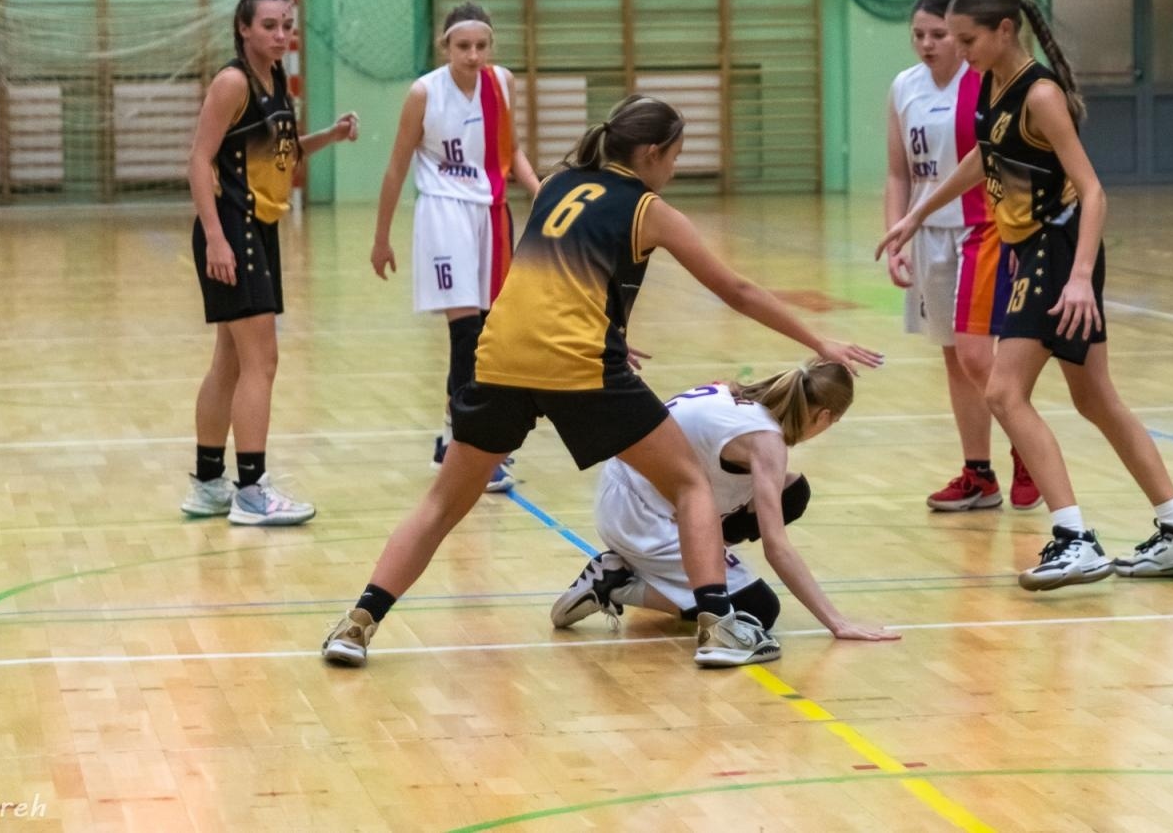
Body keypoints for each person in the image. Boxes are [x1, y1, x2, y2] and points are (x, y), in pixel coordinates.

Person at [323, 95, 882, 668]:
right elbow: (735, 290)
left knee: (442, 505)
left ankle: (357, 624)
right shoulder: (648, 208)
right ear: (650, 153)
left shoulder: (555, 185)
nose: (674, 170)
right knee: (689, 484)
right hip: (577, 364)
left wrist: (607, 331)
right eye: (674, 157)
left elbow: (555, 282)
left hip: (501, 353)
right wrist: (820, 343)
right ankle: (718, 627)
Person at [877, 0, 1173, 591]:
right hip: (1033, 253)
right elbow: (985, 158)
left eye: (967, 39)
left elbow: (1093, 192)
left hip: (1055, 254)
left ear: (1005, 31)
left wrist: (1081, 277)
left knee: (1005, 393)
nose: (958, 50)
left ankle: (1073, 538)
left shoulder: (1040, 94)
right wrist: (917, 213)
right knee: (1095, 400)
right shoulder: (990, 84)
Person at [551, 364, 899, 645]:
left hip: (628, 488)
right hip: (639, 515)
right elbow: (776, 548)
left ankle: (669, 568)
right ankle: (618, 584)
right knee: (758, 609)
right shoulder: (766, 443)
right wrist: (836, 622)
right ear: (823, 416)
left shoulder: (733, 393)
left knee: (792, 492)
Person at [181, 0, 360, 525]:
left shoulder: (276, 80)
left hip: (257, 227)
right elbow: (198, 160)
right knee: (264, 361)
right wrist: (215, 236)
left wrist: (326, 136)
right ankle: (252, 490)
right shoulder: (233, 81)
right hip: (233, 228)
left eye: (287, 25)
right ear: (243, 28)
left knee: (230, 361)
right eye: (269, 25)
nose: (281, 34)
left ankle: (209, 482)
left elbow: (278, 152)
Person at [369, 3, 540, 492]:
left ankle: (453, 440)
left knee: (491, 332)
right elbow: (397, 167)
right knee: (466, 333)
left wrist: (536, 185)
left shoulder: (502, 83)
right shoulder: (424, 93)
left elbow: (512, 150)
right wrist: (381, 237)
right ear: (446, 47)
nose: (473, 55)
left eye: (481, 46)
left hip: (492, 214)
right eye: (463, 46)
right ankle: (463, 447)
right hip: (443, 213)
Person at [885, 0, 1038, 513]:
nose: (927, 44)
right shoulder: (904, 86)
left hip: (983, 228)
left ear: (962, 34)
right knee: (955, 358)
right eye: (918, 35)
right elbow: (897, 171)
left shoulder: (987, 83)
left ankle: (1026, 447)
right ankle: (979, 474)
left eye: (939, 34)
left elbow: (998, 161)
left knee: (977, 355)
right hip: (927, 233)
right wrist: (898, 232)